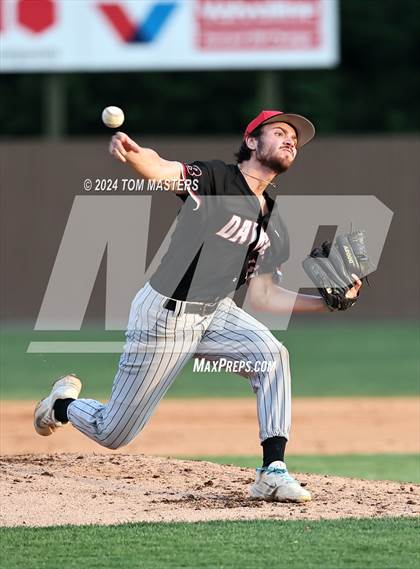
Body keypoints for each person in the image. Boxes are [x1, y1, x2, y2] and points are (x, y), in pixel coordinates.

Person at [34, 110, 362, 503]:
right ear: (252, 142)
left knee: (272, 355)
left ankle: (272, 472)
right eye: (279, 132)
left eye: (295, 138)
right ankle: (62, 405)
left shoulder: (274, 221)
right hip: (165, 317)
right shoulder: (216, 179)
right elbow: (163, 169)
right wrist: (137, 157)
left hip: (216, 312)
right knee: (113, 432)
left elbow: (264, 297)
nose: (291, 140)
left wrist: (326, 305)